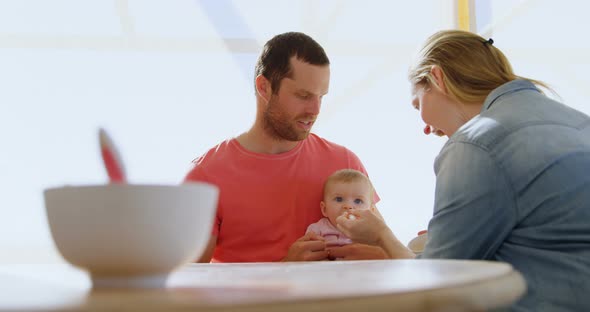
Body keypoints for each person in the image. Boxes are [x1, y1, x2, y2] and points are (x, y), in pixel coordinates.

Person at [333, 30, 590, 311]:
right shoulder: (578, 123)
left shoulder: (477, 144)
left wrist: (381, 235)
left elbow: (436, 287)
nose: (426, 128)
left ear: (438, 78)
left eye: (417, 103)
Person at [184, 32, 387, 263]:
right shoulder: (206, 176)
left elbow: (383, 251)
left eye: (321, 96)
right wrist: (285, 269)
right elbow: (189, 285)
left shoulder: (345, 164)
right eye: (303, 95)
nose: (315, 110)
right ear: (264, 87)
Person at [305, 169, 375, 248]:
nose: (348, 206)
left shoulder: (371, 232)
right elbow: (307, 252)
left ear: (371, 212)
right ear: (324, 209)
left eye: (358, 201)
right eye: (339, 199)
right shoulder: (317, 229)